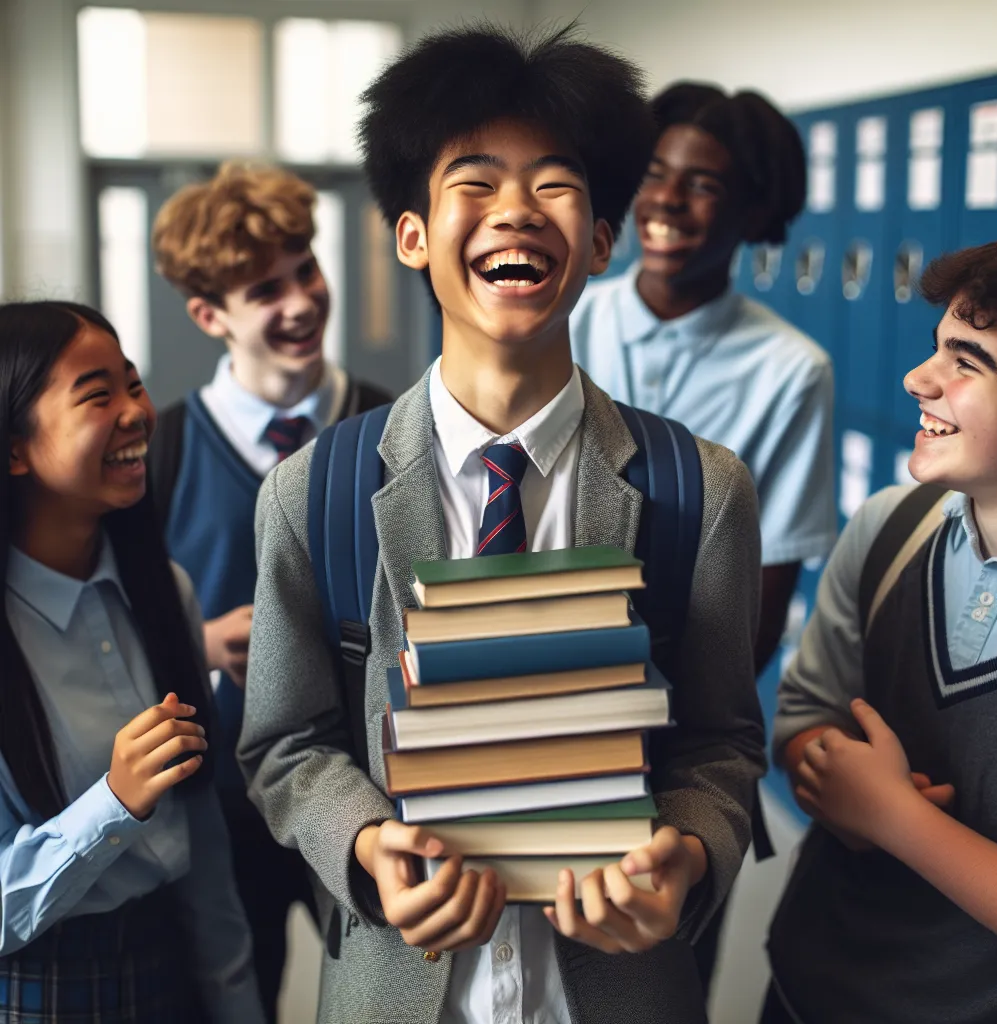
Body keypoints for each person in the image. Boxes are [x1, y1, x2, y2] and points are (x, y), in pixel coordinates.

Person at [239, 23, 766, 1024]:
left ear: (603, 240)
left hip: (618, 991)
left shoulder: (700, 490)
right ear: (410, 233)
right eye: (474, 182)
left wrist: (688, 853)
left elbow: (723, 742)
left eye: (555, 184)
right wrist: (361, 843)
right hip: (398, 988)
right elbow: (284, 742)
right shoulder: (313, 493)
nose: (515, 210)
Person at [148, 161, 391, 1019]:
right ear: (211, 316)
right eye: (265, 291)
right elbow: (121, 636)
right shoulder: (161, 456)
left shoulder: (392, 429)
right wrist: (202, 642)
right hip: (221, 809)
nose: (299, 304)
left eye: (306, 271)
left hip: (369, 794)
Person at [764, 236, 997, 1023]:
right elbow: (805, 712)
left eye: (966, 361)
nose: (919, 378)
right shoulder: (889, 526)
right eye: (935, 347)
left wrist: (896, 820)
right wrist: (831, 773)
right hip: (808, 988)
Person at [0, 301, 263, 1022]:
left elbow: (202, 843)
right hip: (34, 991)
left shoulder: (162, 590)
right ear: (14, 448)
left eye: (134, 384)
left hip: (165, 970)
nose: (136, 413)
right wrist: (110, 806)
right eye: (96, 394)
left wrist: (238, 1003)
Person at [572, 83, 835, 676]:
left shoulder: (790, 369)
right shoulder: (565, 320)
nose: (666, 200)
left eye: (703, 185)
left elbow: (769, 578)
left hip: (691, 679)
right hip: (545, 649)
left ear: (755, 210)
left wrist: (703, 728)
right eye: (655, 174)